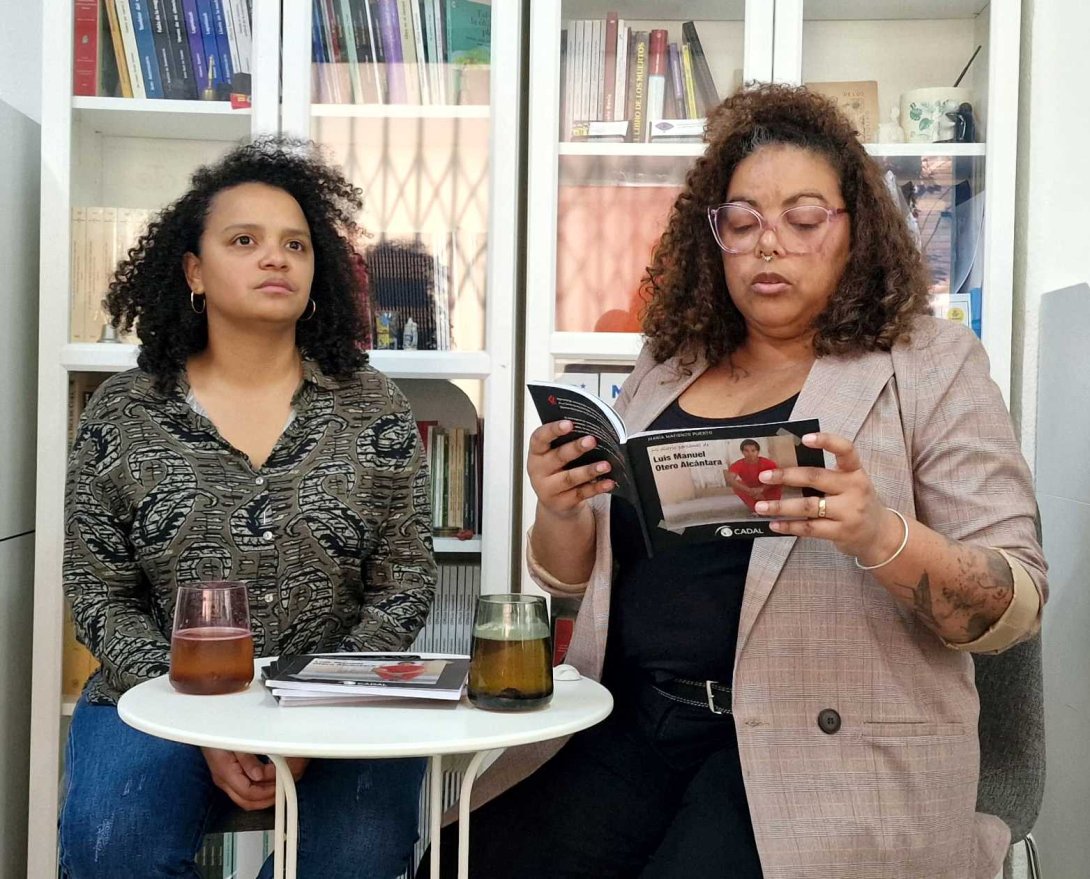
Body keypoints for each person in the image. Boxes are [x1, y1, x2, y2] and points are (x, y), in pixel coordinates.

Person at [419, 84, 1046, 878]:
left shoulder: (930, 365)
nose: (768, 245)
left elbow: (1012, 601)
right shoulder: (668, 365)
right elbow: (576, 581)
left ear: (856, 229)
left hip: (823, 747)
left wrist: (878, 533)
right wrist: (562, 506)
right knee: (457, 860)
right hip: (634, 720)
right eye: (742, 223)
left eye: (803, 219)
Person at [60, 138, 437, 879]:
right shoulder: (123, 410)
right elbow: (98, 593)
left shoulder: (374, 405)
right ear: (194, 272)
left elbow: (405, 582)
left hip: (344, 696)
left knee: (357, 852)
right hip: (156, 690)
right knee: (114, 845)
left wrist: (310, 711)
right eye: (244, 240)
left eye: (296, 244)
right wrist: (197, 719)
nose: (276, 258)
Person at [725, 439, 782, 513]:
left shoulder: (768, 463)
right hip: (751, 492)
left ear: (758, 452)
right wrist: (749, 491)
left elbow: (777, 478)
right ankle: (754, 507)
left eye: (753, 451)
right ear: (742, 452)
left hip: (767, 490)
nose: (750, 454)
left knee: (778, 482)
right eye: (746, 451)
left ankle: (768, 504)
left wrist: (761, 489)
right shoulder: (738, 464)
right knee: (736, 485)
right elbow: (730, 479)